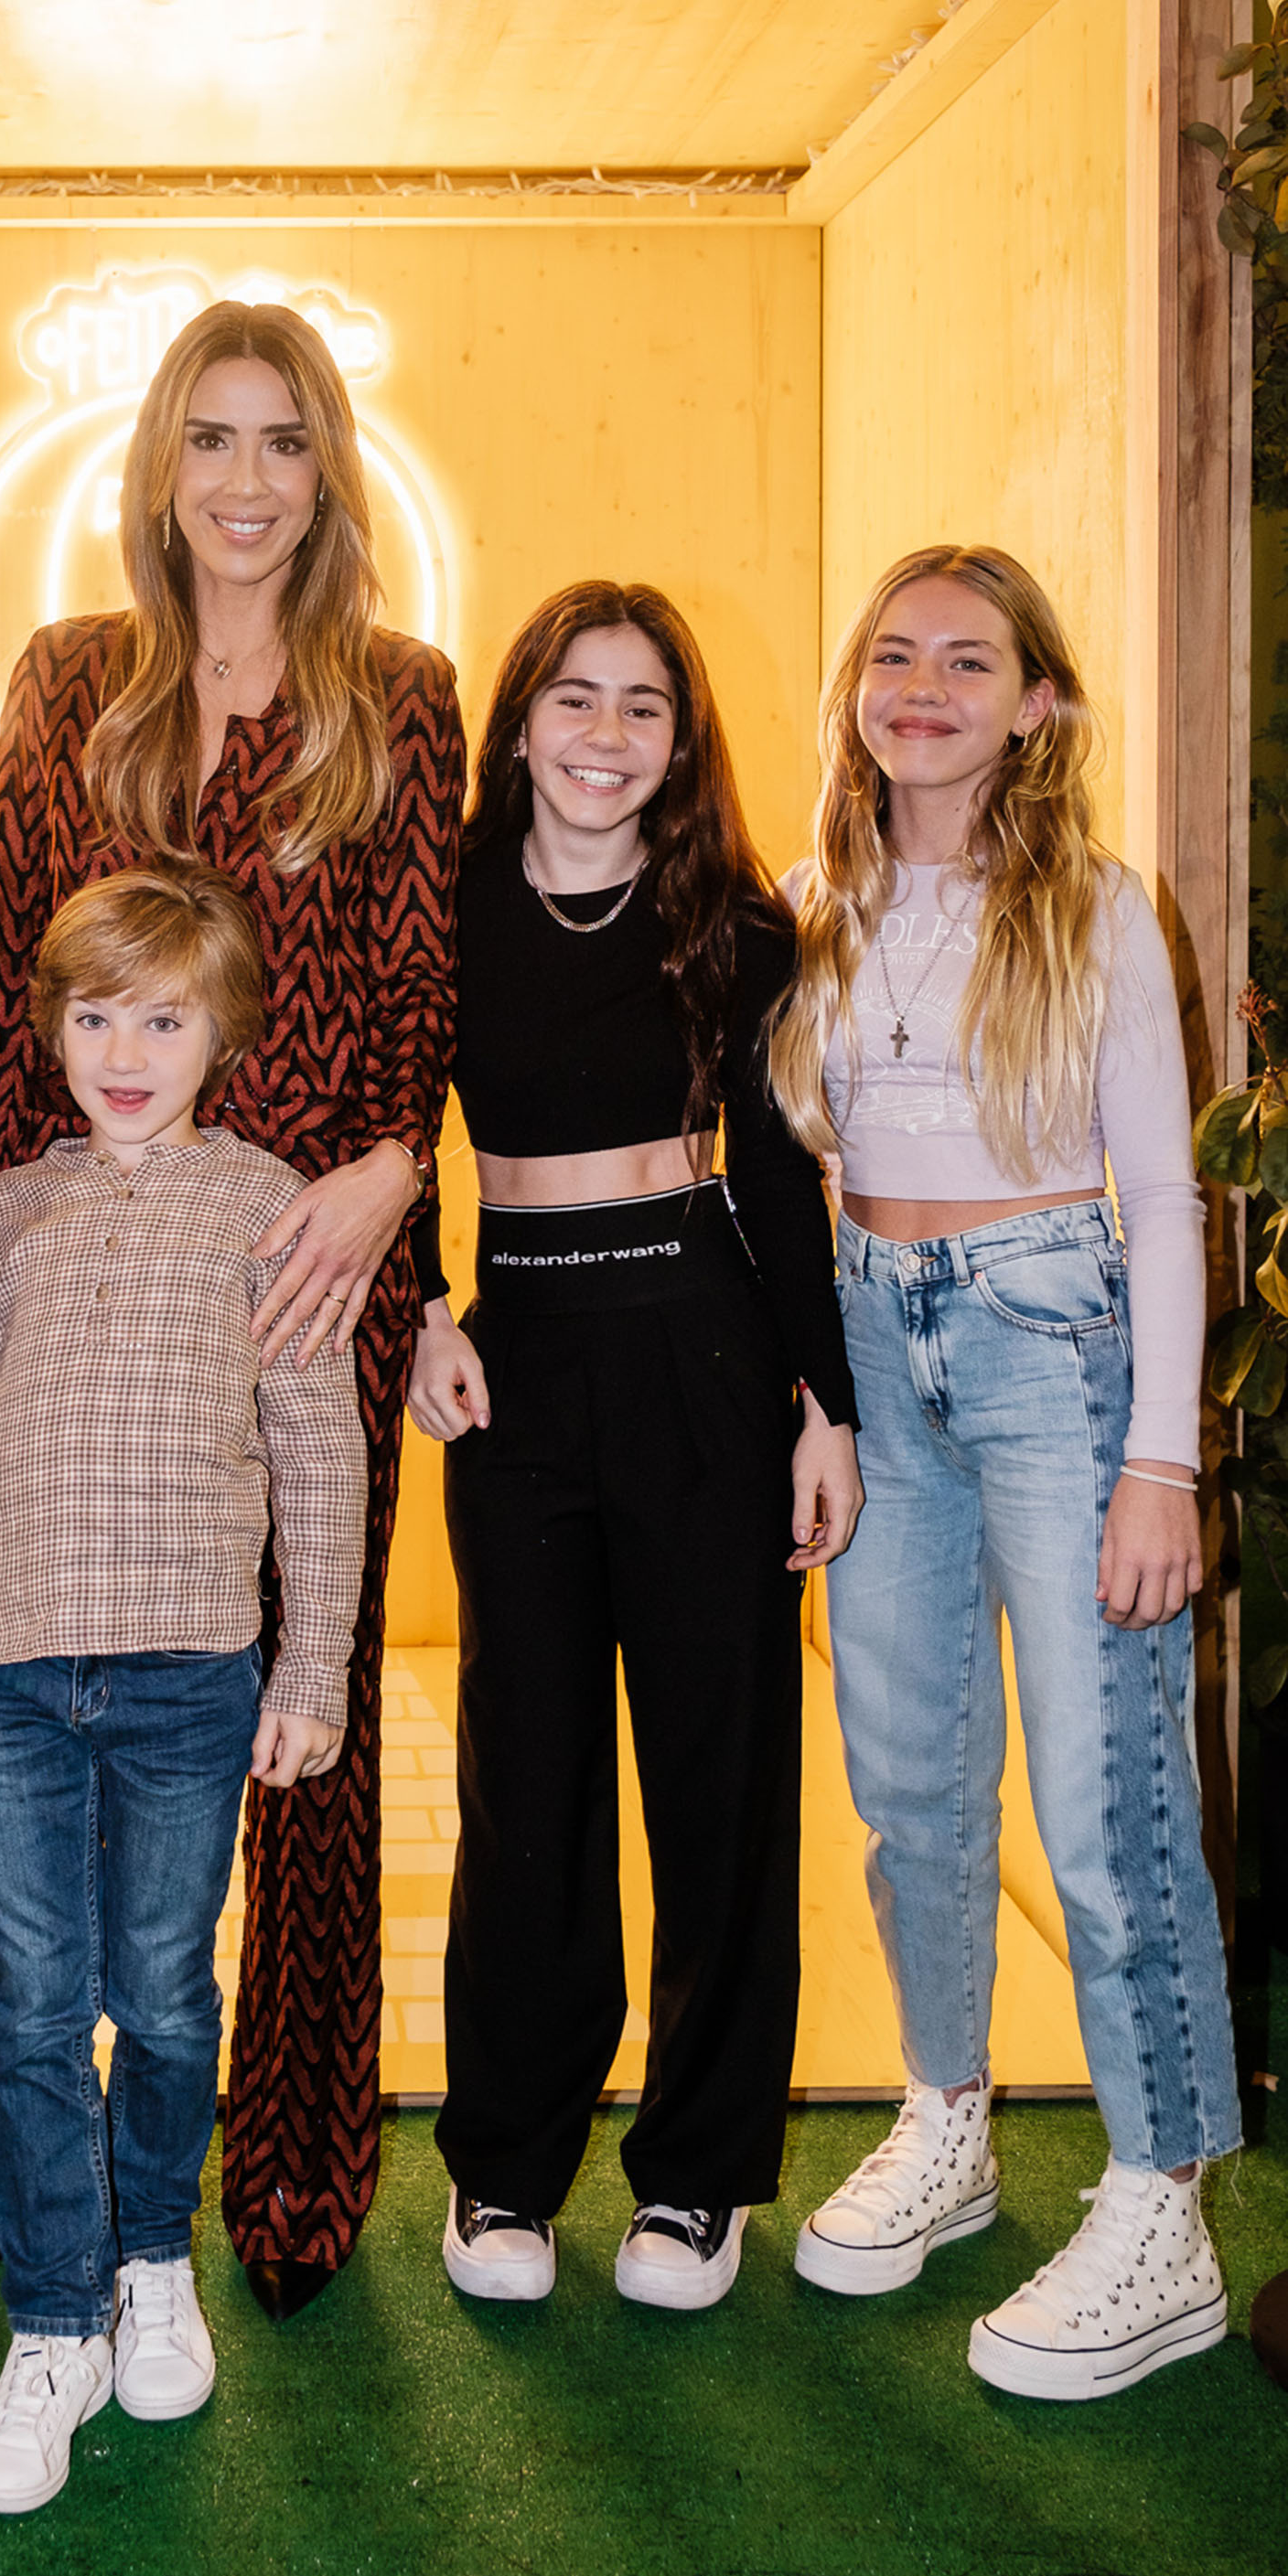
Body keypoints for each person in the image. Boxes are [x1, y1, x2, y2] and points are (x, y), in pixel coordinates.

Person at [0, 299, 461, 2316]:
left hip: (310, 1271)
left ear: (328, 472)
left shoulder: (400, 695)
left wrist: (392, 1179)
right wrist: (19, 1261)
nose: (245, 480)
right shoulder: (68, 680)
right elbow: (5, 989)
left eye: (283, 440)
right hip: (91, 1271)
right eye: (210, 438)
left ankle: (290, 2170)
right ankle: (1, 2155)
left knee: (303, 1718)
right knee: (39, 1695)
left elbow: (421, 984)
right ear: (155, 465)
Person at [769, 543, 1242, 2399]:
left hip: (1054, 1350)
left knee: (1102, 1797)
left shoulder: (1098, 909)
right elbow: (779, 1176)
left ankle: (1160, 2199)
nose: (921, 687)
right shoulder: (812, 902)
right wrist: (810, 1398)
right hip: (870, 1341)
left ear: (1035, 701)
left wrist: (1160, 1461)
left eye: (967, 661)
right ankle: (946, 2112)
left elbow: (1164, 1198)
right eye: (893, 656)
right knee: (907, 1780)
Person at [407, 583, 861, 2313]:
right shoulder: (445, 905)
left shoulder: (732, 924)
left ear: (680, 744)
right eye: (575, 698)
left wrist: (823, 1407)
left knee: (717, 1775)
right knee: (525, 1785)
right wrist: (420, 1308)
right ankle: (504, 2166)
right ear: (520, 723)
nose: (605, 735)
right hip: (515, 1370)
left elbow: (778, 1181)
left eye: (643, 707)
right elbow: (381, 1124)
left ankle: (694, 2177)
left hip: (702, 1356)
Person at [0, 865, 366, 2510]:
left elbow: (319, 1451)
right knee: (31, 2007)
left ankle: (152, 2258)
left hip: (189, 1671)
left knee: (162, 1994)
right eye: (94, 1017)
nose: (123, 1053)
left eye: (162, 1021)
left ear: (221, 1033)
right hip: (18, 1668)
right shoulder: (8, 1212)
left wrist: (314, 1665)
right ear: (53, 1029)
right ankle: (50, 2327)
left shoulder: (270, 1205)